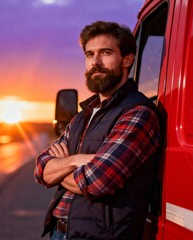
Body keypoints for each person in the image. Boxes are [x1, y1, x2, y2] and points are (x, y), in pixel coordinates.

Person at [34, 21, 162, 239]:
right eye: (89, 54)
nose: (96, 62)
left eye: (106, 52)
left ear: (127, 59)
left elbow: (97, 182)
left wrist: (61, 169)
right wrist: (76, 161)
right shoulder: (82, 116)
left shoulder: (138, 113)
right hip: (60, 231)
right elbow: (41, 170)